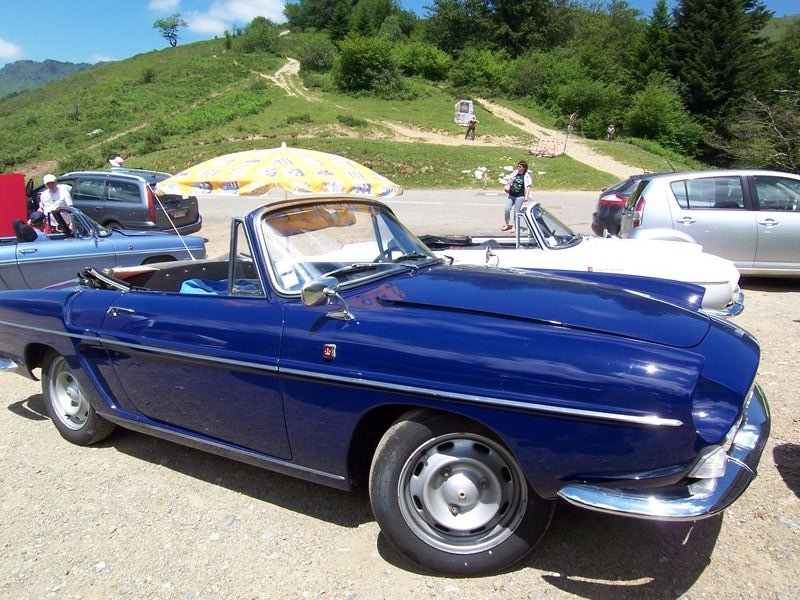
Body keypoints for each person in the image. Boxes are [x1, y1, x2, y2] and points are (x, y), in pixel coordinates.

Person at [502, 160, 532, 231]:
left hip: (520, 196)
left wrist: (526, 196)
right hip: (511, 194)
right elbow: (510, 180)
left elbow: (528, 187)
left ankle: (514, 226)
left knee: (516, 212)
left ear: (524, 168)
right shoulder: (515, 173)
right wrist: (509, 182)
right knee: (507, 209)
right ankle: (507, 224)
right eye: (517, 166)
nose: (518, 167)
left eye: (520, 166)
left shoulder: (526, 176)